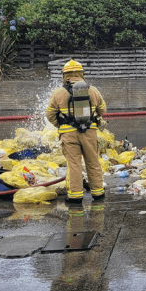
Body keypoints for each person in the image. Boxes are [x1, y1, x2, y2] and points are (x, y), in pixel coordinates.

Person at [46, 60, 107, 202]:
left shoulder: (59, 92)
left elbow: (50, 115)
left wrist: (61, 125)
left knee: (74, 164)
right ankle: (98, 192)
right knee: (93, 162)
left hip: (68, 134)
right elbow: (102, 110)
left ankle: (75, 195)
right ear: (81, 73)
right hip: (89, 132)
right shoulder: (93, 90)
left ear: (65, 75)